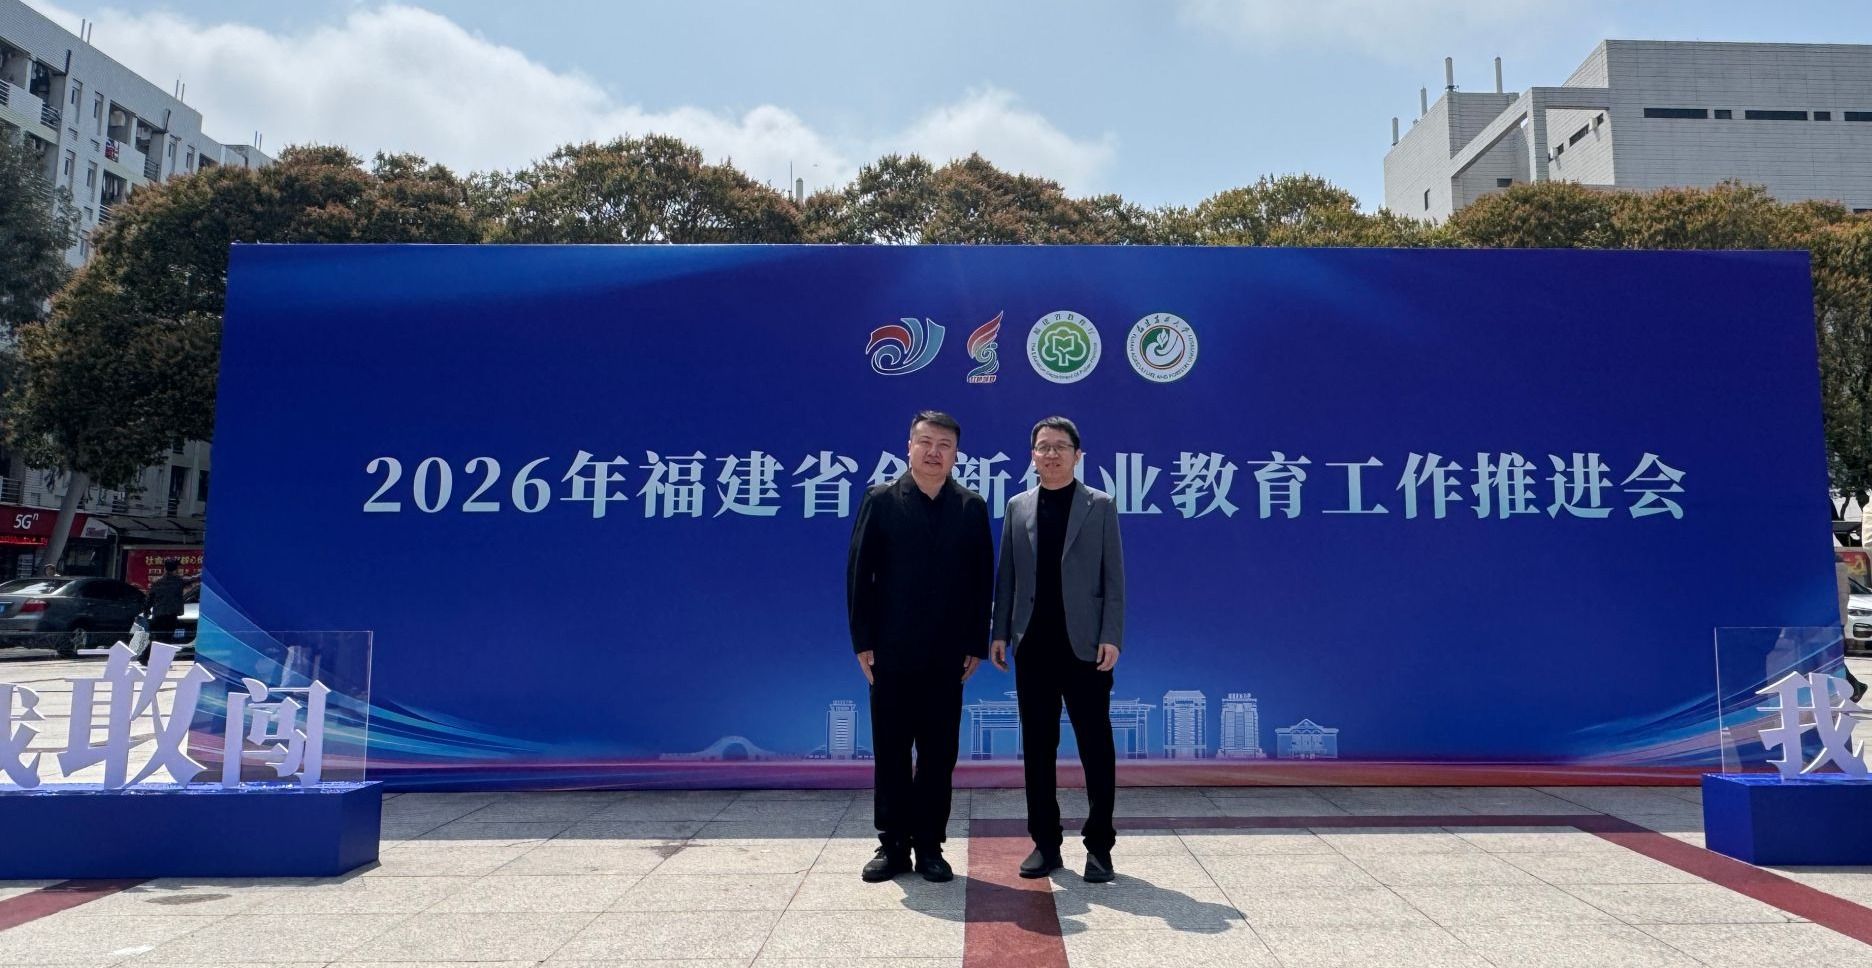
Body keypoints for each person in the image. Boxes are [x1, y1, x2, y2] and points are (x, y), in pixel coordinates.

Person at [847, 411, 993, 883]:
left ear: (956, 454)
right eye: (925, 442)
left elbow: (981, 581)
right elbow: (859, 575)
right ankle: (892, 845)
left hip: (947, 654)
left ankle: (930, 845)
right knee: (891, 750)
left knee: (938, 753)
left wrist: (975, 642)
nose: (934, 452)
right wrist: (863, 640)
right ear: (908, 446)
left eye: (944, 445)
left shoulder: (970, 506)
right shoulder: (882, 500)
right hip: (890, 650)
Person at [991, 416, 1126, 884]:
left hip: (1085, 645)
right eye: (1043, 447)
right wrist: (999, 631)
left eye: (1060, 447)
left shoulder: (1099, 505)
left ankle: (1100, 846)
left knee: (1096, 747)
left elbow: (1114, 578)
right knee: (1037, 747)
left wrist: (1111, 634)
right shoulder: (1018, 506)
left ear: (1077, 455)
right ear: (1032, 455)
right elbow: (1007, 576)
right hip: (1033, 644)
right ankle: (1045, 844)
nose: (1051, 454)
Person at [146, 558, 192, 645]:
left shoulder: (158, 582)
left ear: (165, 568)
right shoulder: (179, 581)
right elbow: (193, 579)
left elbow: (150, 598)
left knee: (158, 639)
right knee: (167, 639)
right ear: (176, 569)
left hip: (158, 615)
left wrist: (146, 610)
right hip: (171, 616)